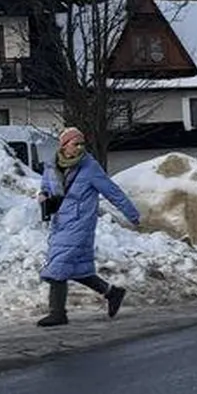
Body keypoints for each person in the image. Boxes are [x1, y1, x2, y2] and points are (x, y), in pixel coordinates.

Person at [37, 127, 142, 326]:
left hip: (79, 224)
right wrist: (43, 196)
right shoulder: (52, 166)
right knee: (78, 270)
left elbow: (113, 192)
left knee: (57, 266)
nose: (79, 147)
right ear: (64, 145)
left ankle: (58, 313)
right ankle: (112, 293)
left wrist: (132, 215)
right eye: (75, 143)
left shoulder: (90, 167)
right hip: (60, 222)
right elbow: (45, 186)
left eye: (81, 144)